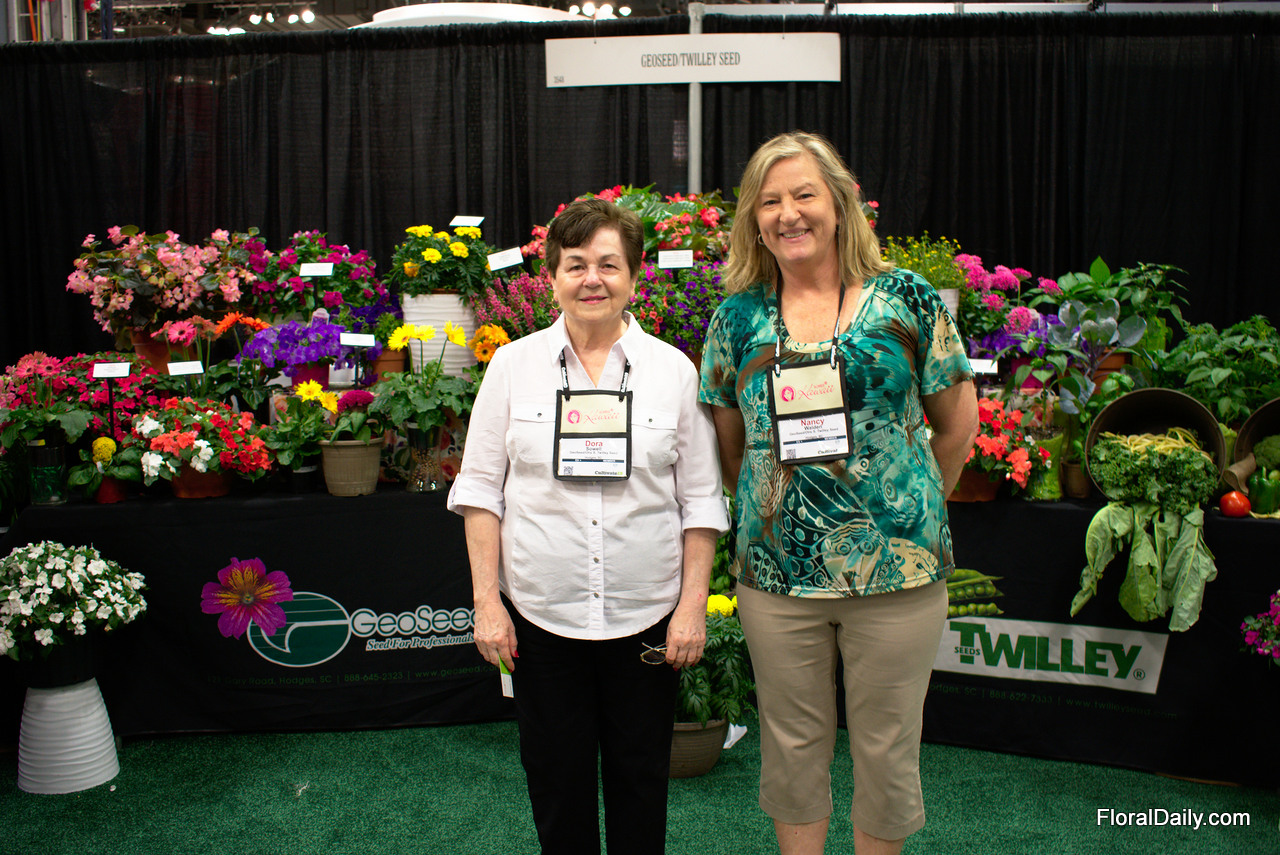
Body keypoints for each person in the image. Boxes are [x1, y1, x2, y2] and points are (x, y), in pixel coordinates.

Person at [698, 131, 979, 855]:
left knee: (888, 745)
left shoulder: (906, 298)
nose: (788, 213)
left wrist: (909, 506)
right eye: (770, 201)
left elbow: (957, 427)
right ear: (754, 220)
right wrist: (772, 507)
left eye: (804, 195)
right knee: (790, 743)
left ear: (840, 203)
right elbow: (731, 446)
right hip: (777, 577)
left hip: (899, 575)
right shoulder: (736, 318)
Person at [447, 197, 729, 855]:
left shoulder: (673, 370)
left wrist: (691, 608)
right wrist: (487, 603)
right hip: (541, 619)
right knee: (557, 785)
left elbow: (701, 501)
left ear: (634, 276)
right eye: (576, 265)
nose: (592, 279)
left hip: (647, 619)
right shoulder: (511, 367)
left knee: (641, 782)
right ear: (552, 277)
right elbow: (481, 492)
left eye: (608, 264)